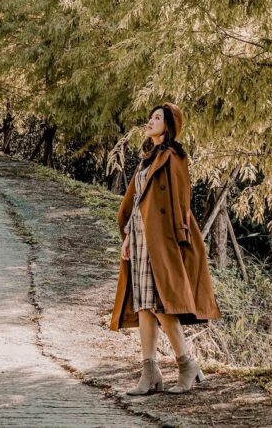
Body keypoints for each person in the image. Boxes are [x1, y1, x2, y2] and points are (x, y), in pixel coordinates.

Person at [109, 102, 222, 395]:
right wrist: (127, 237)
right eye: (150, 117)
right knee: (145, 305)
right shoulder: (147, 158)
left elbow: (182, 201)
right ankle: (150, 373)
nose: (150, 121)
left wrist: (181, 239)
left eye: (157, 118)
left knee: (161, 305)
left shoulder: (174, 156)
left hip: (162, 240)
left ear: (168, 125)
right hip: (139, 237)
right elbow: (137, 202)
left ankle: (187, 364)